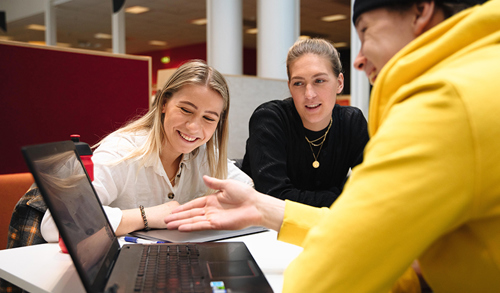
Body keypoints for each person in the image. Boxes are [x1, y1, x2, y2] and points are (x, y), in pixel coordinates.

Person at [165, 0, 500, 292]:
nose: (359, 58)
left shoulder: (447, 101)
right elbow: (371, 228)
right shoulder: (482, 75)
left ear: (421, 10)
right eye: (299, 83)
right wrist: (267, 208)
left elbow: (323, 278)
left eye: (366, 31)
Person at [40, 60, 253, 242]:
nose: (194, 128)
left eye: (208, 118)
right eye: (186, 110)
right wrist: (146, 216)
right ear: (163, 103)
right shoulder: (122, 151)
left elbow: (247, 190)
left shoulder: (205, 152)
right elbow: (56, 224)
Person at [241, 38, 369, 207]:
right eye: (299, 83)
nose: (309, 94)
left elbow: (373, 186)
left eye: (319, 81)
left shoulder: (351, 121)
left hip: (330, 225)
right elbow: (273, 198)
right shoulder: (270, 119)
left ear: (339, 83)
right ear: (290, 87)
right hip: (265, 230)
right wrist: (342, 198)